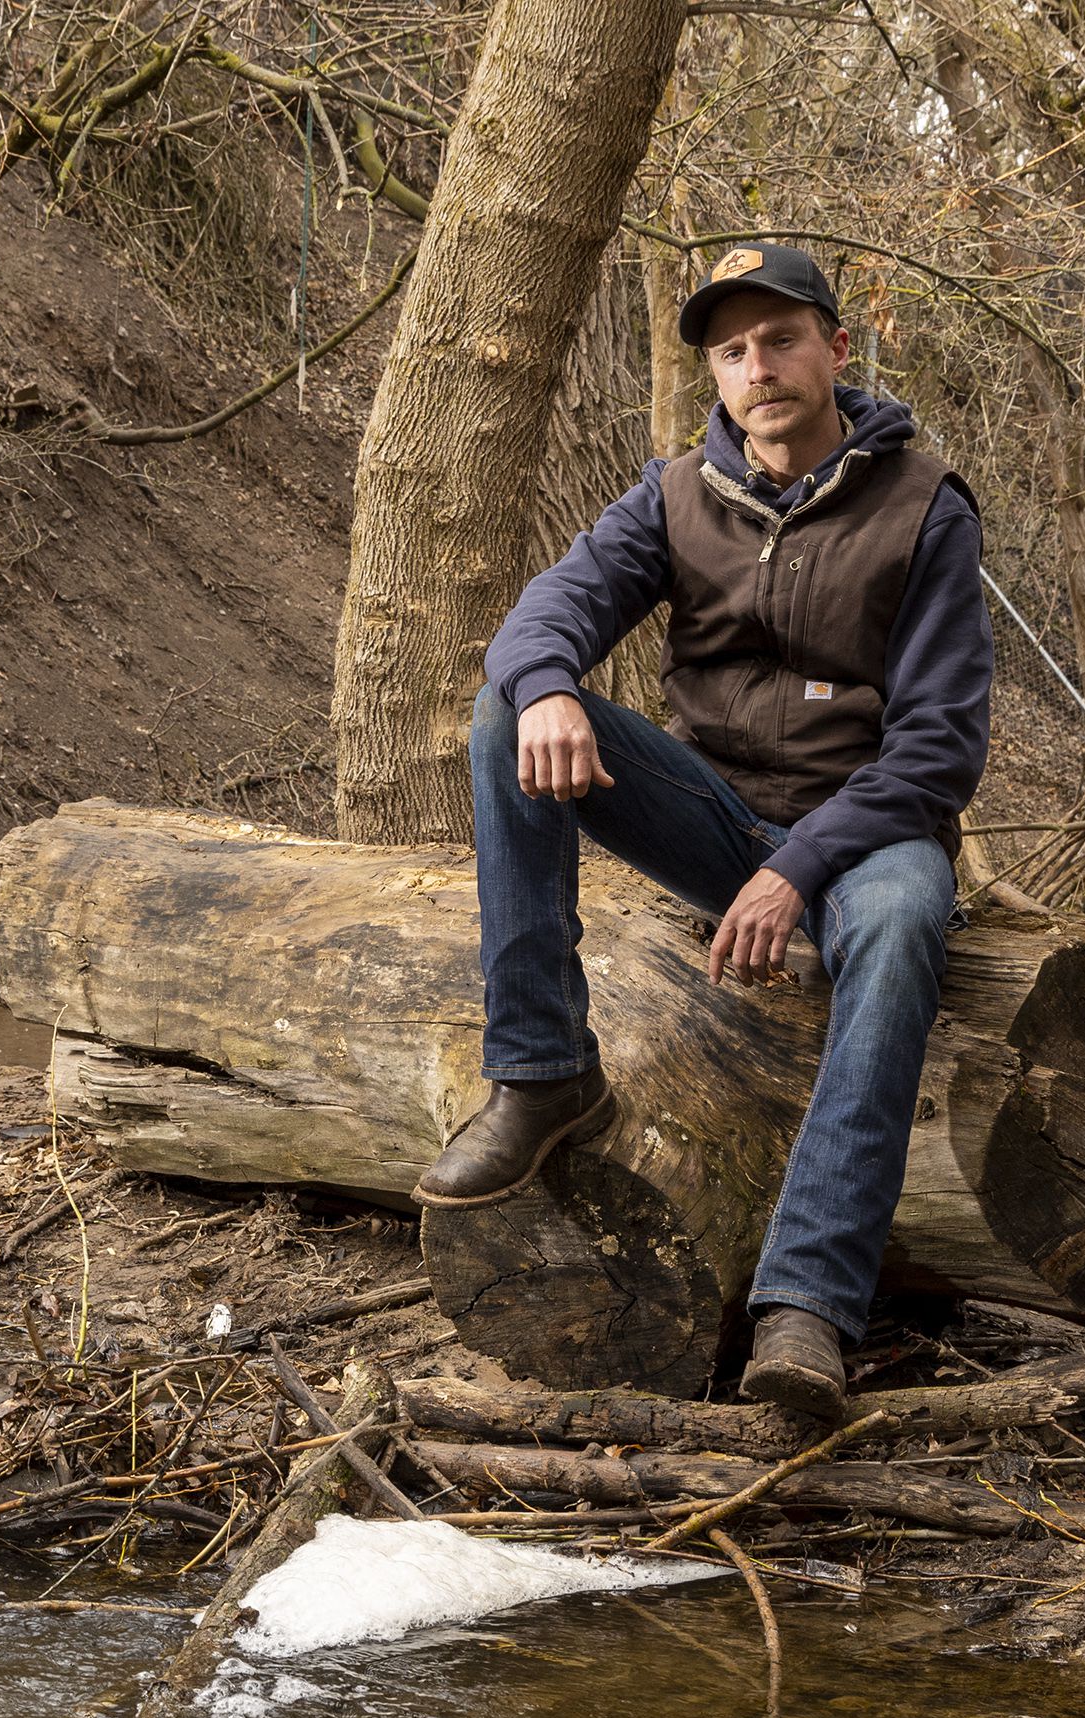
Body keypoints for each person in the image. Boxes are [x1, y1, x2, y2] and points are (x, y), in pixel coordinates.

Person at [411, 243, 994, 1423]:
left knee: (895, 922)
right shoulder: (676, 494)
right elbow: (545, 612)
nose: (757, 367)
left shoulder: (924, 505)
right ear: (715, 378)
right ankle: (541, 1071)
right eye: (731, 351)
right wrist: (552, 686)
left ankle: (807, 1305)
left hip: (868, 831)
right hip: (714, 814)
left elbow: (939, 748)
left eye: (780, 339)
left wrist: (801, 869)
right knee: (506, 712)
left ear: (836, 347)